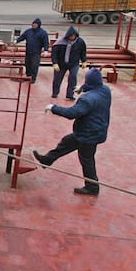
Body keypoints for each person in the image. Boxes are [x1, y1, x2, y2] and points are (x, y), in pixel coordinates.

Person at [32, 67, 111, 195]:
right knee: (67, 142)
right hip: (97, 130)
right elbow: (95, 86)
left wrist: (54, 108)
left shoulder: (88, 99)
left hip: (88, 135)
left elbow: (72, 113)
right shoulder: (105, 90)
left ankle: (92, 187)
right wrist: (83, 88)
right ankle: (47, 159)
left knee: (86, 159)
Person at [50, 26, 86, 100]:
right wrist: (55, 63)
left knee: (73, 77)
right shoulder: (60, 42)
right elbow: (54, 53)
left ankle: (70, 94)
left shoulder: (80, 42)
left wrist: (84, 61)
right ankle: (55, 92)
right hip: (61, 63)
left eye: (74, 36)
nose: (72, 37)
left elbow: (83, 52)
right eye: (71, 36)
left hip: (74, 63)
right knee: (57, 79)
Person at [15, 18, 49, 83]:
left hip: (36, 52)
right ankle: (28, 76)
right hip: (28, 51)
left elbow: (46, 42)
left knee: (34, 65)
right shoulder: (28, 31)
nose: (34, 25)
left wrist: (46, 50)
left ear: (39, 25)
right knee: (27, 64)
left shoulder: (43, 33)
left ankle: (33, 78)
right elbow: (22, 37)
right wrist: (17, 41)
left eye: (35, 24)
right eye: (33, 24)